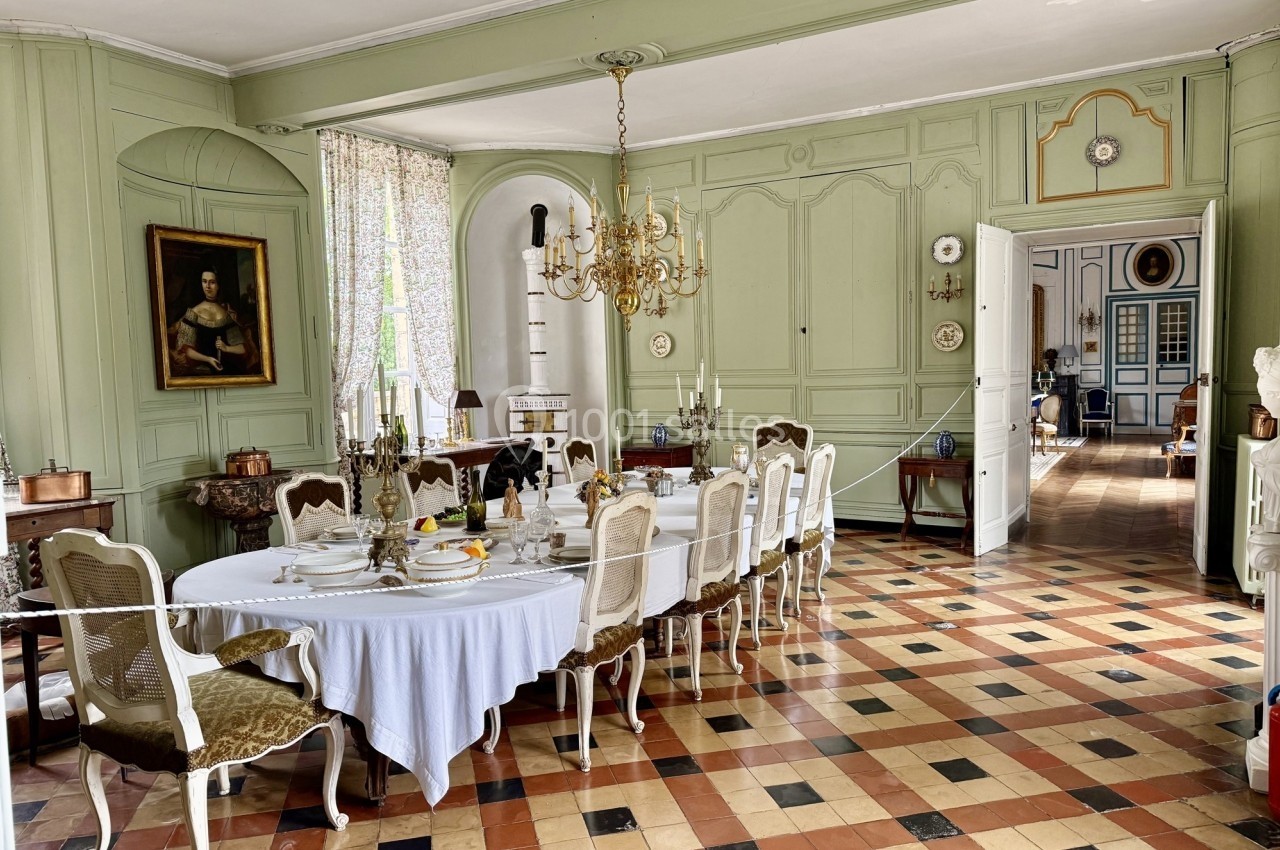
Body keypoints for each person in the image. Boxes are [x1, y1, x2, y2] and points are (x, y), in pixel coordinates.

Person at [169, 270, 256, 376]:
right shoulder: (193, 313)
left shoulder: (226, 315)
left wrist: (226, 348)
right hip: (204, 367)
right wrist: (208, 359)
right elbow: (186, 350)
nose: (207, 286)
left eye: (212, 282)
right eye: (204, 281)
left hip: (227, 367)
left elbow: (243, 349)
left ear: (218, 286)